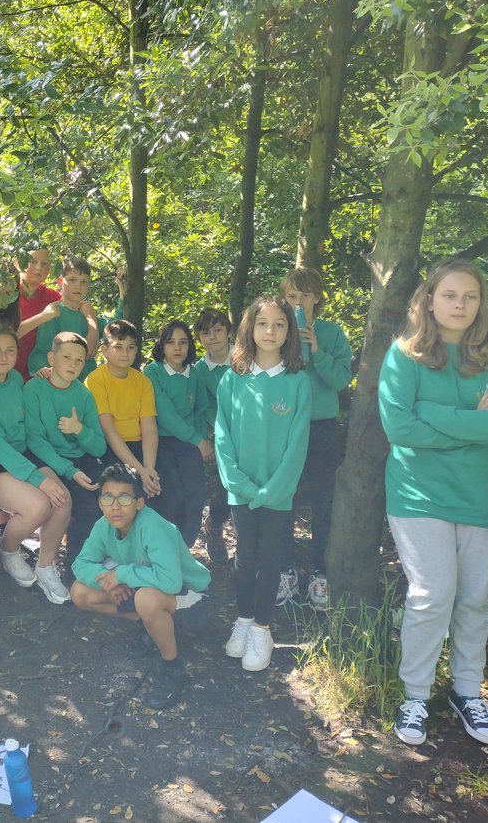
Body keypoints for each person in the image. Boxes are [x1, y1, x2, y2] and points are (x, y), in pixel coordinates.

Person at [378, 257, 488, 747]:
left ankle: (466, 691)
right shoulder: (405, 355)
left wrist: (433, 414)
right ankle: (415, 695)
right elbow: (398, 427)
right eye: (450, 295)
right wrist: (469, 425)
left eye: (470, 296)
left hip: (479, 498)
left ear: (481, 303)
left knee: (474, 600)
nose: (460, 304)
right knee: (432, 594)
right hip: (419, 494)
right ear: (429, 300)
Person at [215, 296, 311, 673]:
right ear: (249, 329)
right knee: (244, 558)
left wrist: (273, 490)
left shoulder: (297, 382)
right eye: (262, 323)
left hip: (278, 492)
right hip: (241, 489)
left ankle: (262, 628)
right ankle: (242, 619)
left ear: (289, 332)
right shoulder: (232, 379)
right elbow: (222, 436)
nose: (270, 331)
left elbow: (298, 442)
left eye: (279, 324)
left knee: (270, 560)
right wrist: (239, 483)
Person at [70, 464, 211, 710]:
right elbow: (80, 564)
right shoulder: (104, 525)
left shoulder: (152, 526)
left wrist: (121, 574)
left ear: (139, 503)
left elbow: (171, 581)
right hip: (149, 588)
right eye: (107, 497)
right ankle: (149, 625)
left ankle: (172, 667)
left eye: (124, 497)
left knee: (146, 599)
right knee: (79, 592)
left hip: (190, 598)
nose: (115, 506)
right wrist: (107, 578)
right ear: (100, 502)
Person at [0, 327, 72, 604]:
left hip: (26, 452)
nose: (4, 357)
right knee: (38, 506)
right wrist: (38, 479)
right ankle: (8, 550)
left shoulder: (17, 377)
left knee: (62, 499)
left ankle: (45, 566)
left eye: (10, 350)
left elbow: (29, 427)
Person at [279, 267, 353, 611]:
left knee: (323, 502)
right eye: (292, 296)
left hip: (322, 429)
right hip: (284, 428)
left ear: (317, 297)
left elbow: (340, 380)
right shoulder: (275, 331)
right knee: (285, 500)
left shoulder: (331, 332)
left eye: (304, 295)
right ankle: (286, 570)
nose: (298, 302)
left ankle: (321, 574)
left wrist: (317, 350)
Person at [23, 332, 107, 567]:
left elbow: (99, 447)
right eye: (67, 357)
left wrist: (79, 429)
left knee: (108, 499)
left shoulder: (84, 395)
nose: (73, 364)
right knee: (84, 506)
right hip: (48, 460)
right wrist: (70, 471)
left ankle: (97, 561)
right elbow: (36, 441)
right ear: (51, 358)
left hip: (80, 458)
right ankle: (74, 569)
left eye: (79, 360)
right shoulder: (34, 389)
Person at [144, 320, 211, 548]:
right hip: (160, 441)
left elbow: (201, 409)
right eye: (171, 342)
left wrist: (201, 441)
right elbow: (165, 414)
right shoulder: (153, 372)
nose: (177, 348)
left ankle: (184, 551)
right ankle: (163, 551)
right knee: (170, 497)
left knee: (195, 496)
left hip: (189, 443)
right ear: (162, 346)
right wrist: (197, 440)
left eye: (183, 342)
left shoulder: (195, 374)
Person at [84, 320, 161, 500]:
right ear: (104, 351)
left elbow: (149, 429)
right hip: (108, 449)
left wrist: (149, 469)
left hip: (139, 446)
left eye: (130, 347)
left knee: (164, 490)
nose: (125, 353)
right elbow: (109, 432)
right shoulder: (95, 380)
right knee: (126, 492)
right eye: (118, 347)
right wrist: (139, 470)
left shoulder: (142, 381)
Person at [193, 308, 232, 565]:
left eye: (218, 330)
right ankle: (214, 526)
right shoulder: (198, 370)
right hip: (218, 434)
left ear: (229, 332)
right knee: (224, 488)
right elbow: (202, 405)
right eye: (206, 333)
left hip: (249, 433)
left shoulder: (245, 360)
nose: (213, 337)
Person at [27, 256, 100, 380]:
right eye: (72, 279)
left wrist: (122, 290)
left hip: (88, 386)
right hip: (62, 386)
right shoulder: (54, 314)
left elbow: (114, 330)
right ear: (60, 282)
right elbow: (41, 350)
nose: (78, 286)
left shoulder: (89, 316)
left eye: (84, 282)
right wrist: (41, 368)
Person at [12, 247, 62, 379]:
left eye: (44, 263)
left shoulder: (52, 297)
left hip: (38, 377)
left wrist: (93, 331)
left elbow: (76, 302)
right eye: (32, 261)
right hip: (6, 376)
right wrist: (43, 316)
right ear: (17, 263)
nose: (39, 268)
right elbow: (6, 336)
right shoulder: (6, 293)